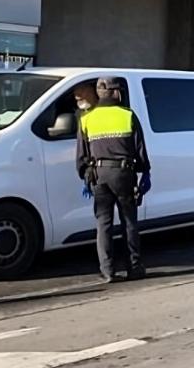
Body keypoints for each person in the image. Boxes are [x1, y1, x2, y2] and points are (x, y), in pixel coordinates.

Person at [76, 77, 151, 283]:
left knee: (103, 224)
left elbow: (81, 155)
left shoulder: (86, 119)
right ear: (115, 93)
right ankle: (134, 268)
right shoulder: (127, 116)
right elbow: (140, 150)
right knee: (128, 222)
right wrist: (145, 172)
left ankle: (108, 271)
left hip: (99, 176)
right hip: (123, 175)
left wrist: (86, 175)